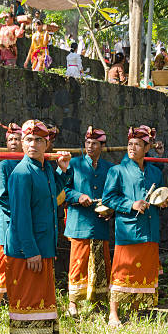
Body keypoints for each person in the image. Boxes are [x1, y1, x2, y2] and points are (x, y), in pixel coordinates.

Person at [4, 120, 71, 334]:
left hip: (43, 245)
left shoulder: (46, 170)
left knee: (39, 296)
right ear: (22, 143)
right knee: (26, 297)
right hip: (27, 249)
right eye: (29, 140)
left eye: (39, 140)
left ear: (47, 144)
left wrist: (62, 169)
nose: (33, 144)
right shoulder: (21, 173)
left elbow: (53, 194)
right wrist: (31, 251)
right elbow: (20, 217)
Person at [102, 125, 168, 327]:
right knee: (122, 270)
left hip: (150, 229)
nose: (132, 148)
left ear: (147, 148)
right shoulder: (118, 170)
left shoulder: (154, 173)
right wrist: (131, 204)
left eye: (138, 144)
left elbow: (158, 196)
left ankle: (135, 311)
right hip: (129, 229)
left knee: (144, 272)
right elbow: (108, 198)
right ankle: (113, 314)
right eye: (130, 144)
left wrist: (163, 202)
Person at [63, 126, 114, 316]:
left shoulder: (109, 168)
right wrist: (78, 196)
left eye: (94, 143)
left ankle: (99, 302)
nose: (90, 146)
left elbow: (114, 194)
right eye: (87, 143)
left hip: (100, 222)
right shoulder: (73, 164)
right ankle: (73, 303)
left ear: (102, 146)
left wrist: (111, 211)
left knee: (101, 263)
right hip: (79, 223)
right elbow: (63, 190)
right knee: (78, 263)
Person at [0, 123, 22, 320]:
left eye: (17, 139)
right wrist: (22, 214)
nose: (13, 143)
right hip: (9, 225)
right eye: (10, 139)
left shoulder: (32, 165)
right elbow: (0, 197)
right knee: (4, 266)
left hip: (30, 227)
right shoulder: (0, 168)